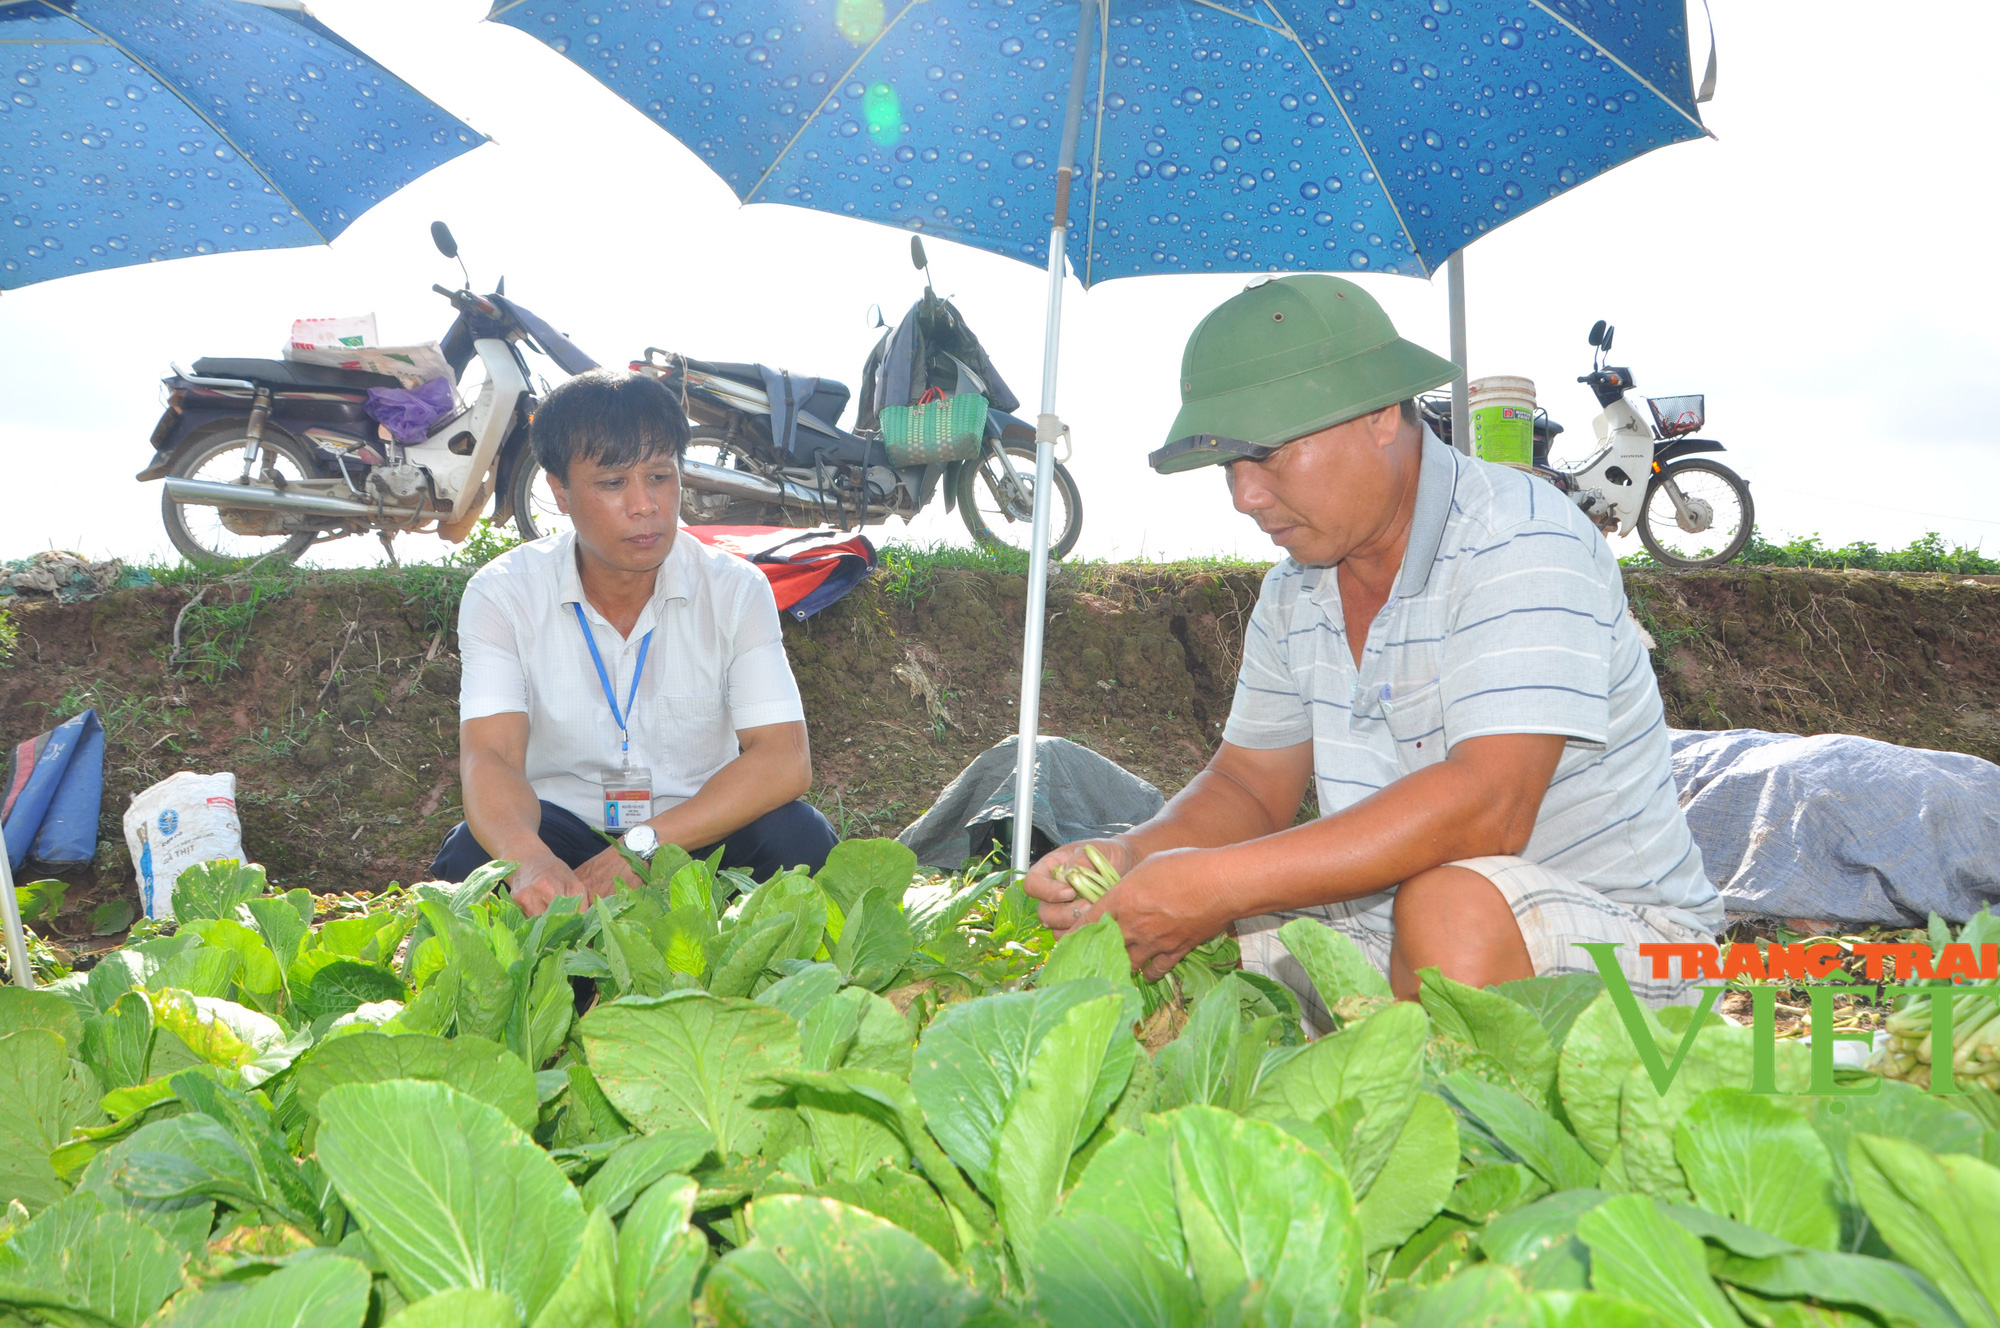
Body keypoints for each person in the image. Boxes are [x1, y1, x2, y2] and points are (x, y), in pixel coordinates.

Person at [1024, 275, 1721, 1029]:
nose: (1243, 496)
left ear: (1382, 416)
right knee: (1174, 953)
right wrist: (1133, 860)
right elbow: (1250, 789)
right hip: (1386, 932)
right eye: (1229, 465)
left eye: (1270, 454)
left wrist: (1216, 884)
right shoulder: (1296, 593)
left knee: (1448, 910)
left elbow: (1488, 808)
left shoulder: (1521, 538)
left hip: (1636, 944)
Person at [430, 368, 838, 914]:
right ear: (559, 490)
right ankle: (569, 990)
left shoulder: (735, 589)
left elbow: (785, 759)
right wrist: (529, 858)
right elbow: (492, 756)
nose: (645, 505)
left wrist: (645, 847)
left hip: (694, 833)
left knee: (800, 841)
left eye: (660, 476)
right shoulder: (503, 595)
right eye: (613, 483)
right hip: (565, 833)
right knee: (474, 861)